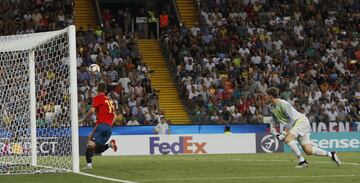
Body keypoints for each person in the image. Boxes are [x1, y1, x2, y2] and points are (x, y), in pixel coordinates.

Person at [266, 87, 341, 168]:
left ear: (270, 96)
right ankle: (331, 154)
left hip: (300, 121)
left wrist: (284, 134)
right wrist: (274, 132)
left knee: (287, 139)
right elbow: (274, 120)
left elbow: (291, 120)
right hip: (297, 124)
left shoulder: (283, 104)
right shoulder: (271, 107)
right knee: (308, 150)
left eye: (266, 95)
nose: (265, 97)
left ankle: (302, 162)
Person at [80, 83, 118, 169]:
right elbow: (115, 115)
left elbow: (92, 110)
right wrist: (110, 124)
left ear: (97, 89)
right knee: (97, 148)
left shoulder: (98, 98)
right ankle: (110, 145)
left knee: (90, 143)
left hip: (101, 125)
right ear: (105, 90)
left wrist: (84, 119)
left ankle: (89, 165)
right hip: (109, 128)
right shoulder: (109, 100)